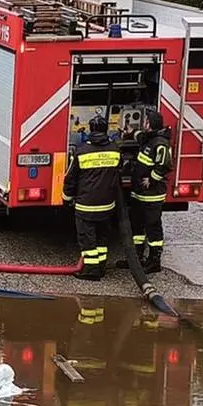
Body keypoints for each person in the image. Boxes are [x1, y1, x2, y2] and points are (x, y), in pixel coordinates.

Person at [62, 114, 122, 281]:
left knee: (87, 239)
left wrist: (66, 198)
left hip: (86, 205)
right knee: (102, 237)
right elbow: (119, 171)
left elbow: (70, 179)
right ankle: (101, 267)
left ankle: (91, 271)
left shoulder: (82, 151)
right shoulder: (115, 150)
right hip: (107, 205)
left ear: (91, 129)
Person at [129, 110, 174, 273]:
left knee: (152, 227)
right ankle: (136, 259)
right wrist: (130, 132)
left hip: (152, 195)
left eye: (146, 121)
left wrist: (152, 179)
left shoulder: (160, 143)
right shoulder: (149, 139)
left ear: (151, 124)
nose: (144, 123)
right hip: (140, 194)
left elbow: (165, 165)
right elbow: (140, 137)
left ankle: (154, 261)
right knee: (137, 227)